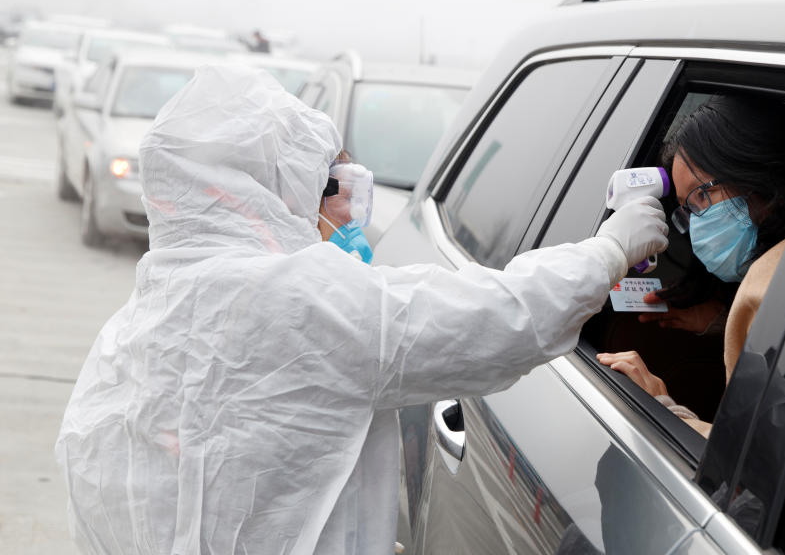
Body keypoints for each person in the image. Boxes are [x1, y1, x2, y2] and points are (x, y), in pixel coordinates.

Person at [54, 65, 668, 555]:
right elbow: (498, 317)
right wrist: (612, 249)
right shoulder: (300, 299)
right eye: (326, 185)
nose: (344, 213)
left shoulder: (140, 318)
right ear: (264, 188)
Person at [597, 94, 785, 436]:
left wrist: (662, 408)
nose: (695, 224)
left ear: (760, 174)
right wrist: (725, 324)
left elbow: (751, 469)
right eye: (687, 210)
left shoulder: (776, 285)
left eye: (702, 196)